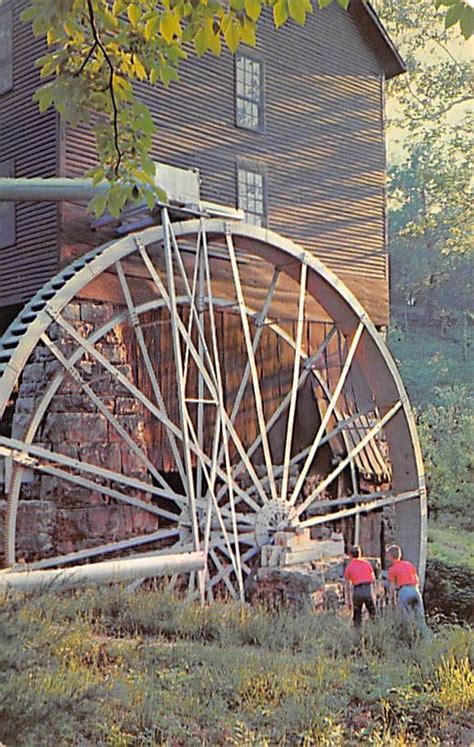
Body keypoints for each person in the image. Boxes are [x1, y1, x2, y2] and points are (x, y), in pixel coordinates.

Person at [386, 544, 429, 636]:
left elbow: (392, 588)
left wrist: (393, 602)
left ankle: (410, 639)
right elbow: (417, 580)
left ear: (391, 556)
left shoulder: (392, 569)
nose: (387, 558)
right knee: (421, 619)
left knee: (406, 619)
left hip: (404, 591)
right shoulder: (409, 565)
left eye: (388, 556)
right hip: (415, 590)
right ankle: (427, 641)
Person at [344, 545, 376, 627]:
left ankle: (357, 635)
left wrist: (348, 600)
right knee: (373, 614)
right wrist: (374, 594)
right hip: (368, 589)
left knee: (357, 615)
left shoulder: (349, 567)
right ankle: (374, 632)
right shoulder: (367, 564)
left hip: (357, 590)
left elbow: (347, 585)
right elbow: (373, 579)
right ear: (360, 554)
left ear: (350, 555)